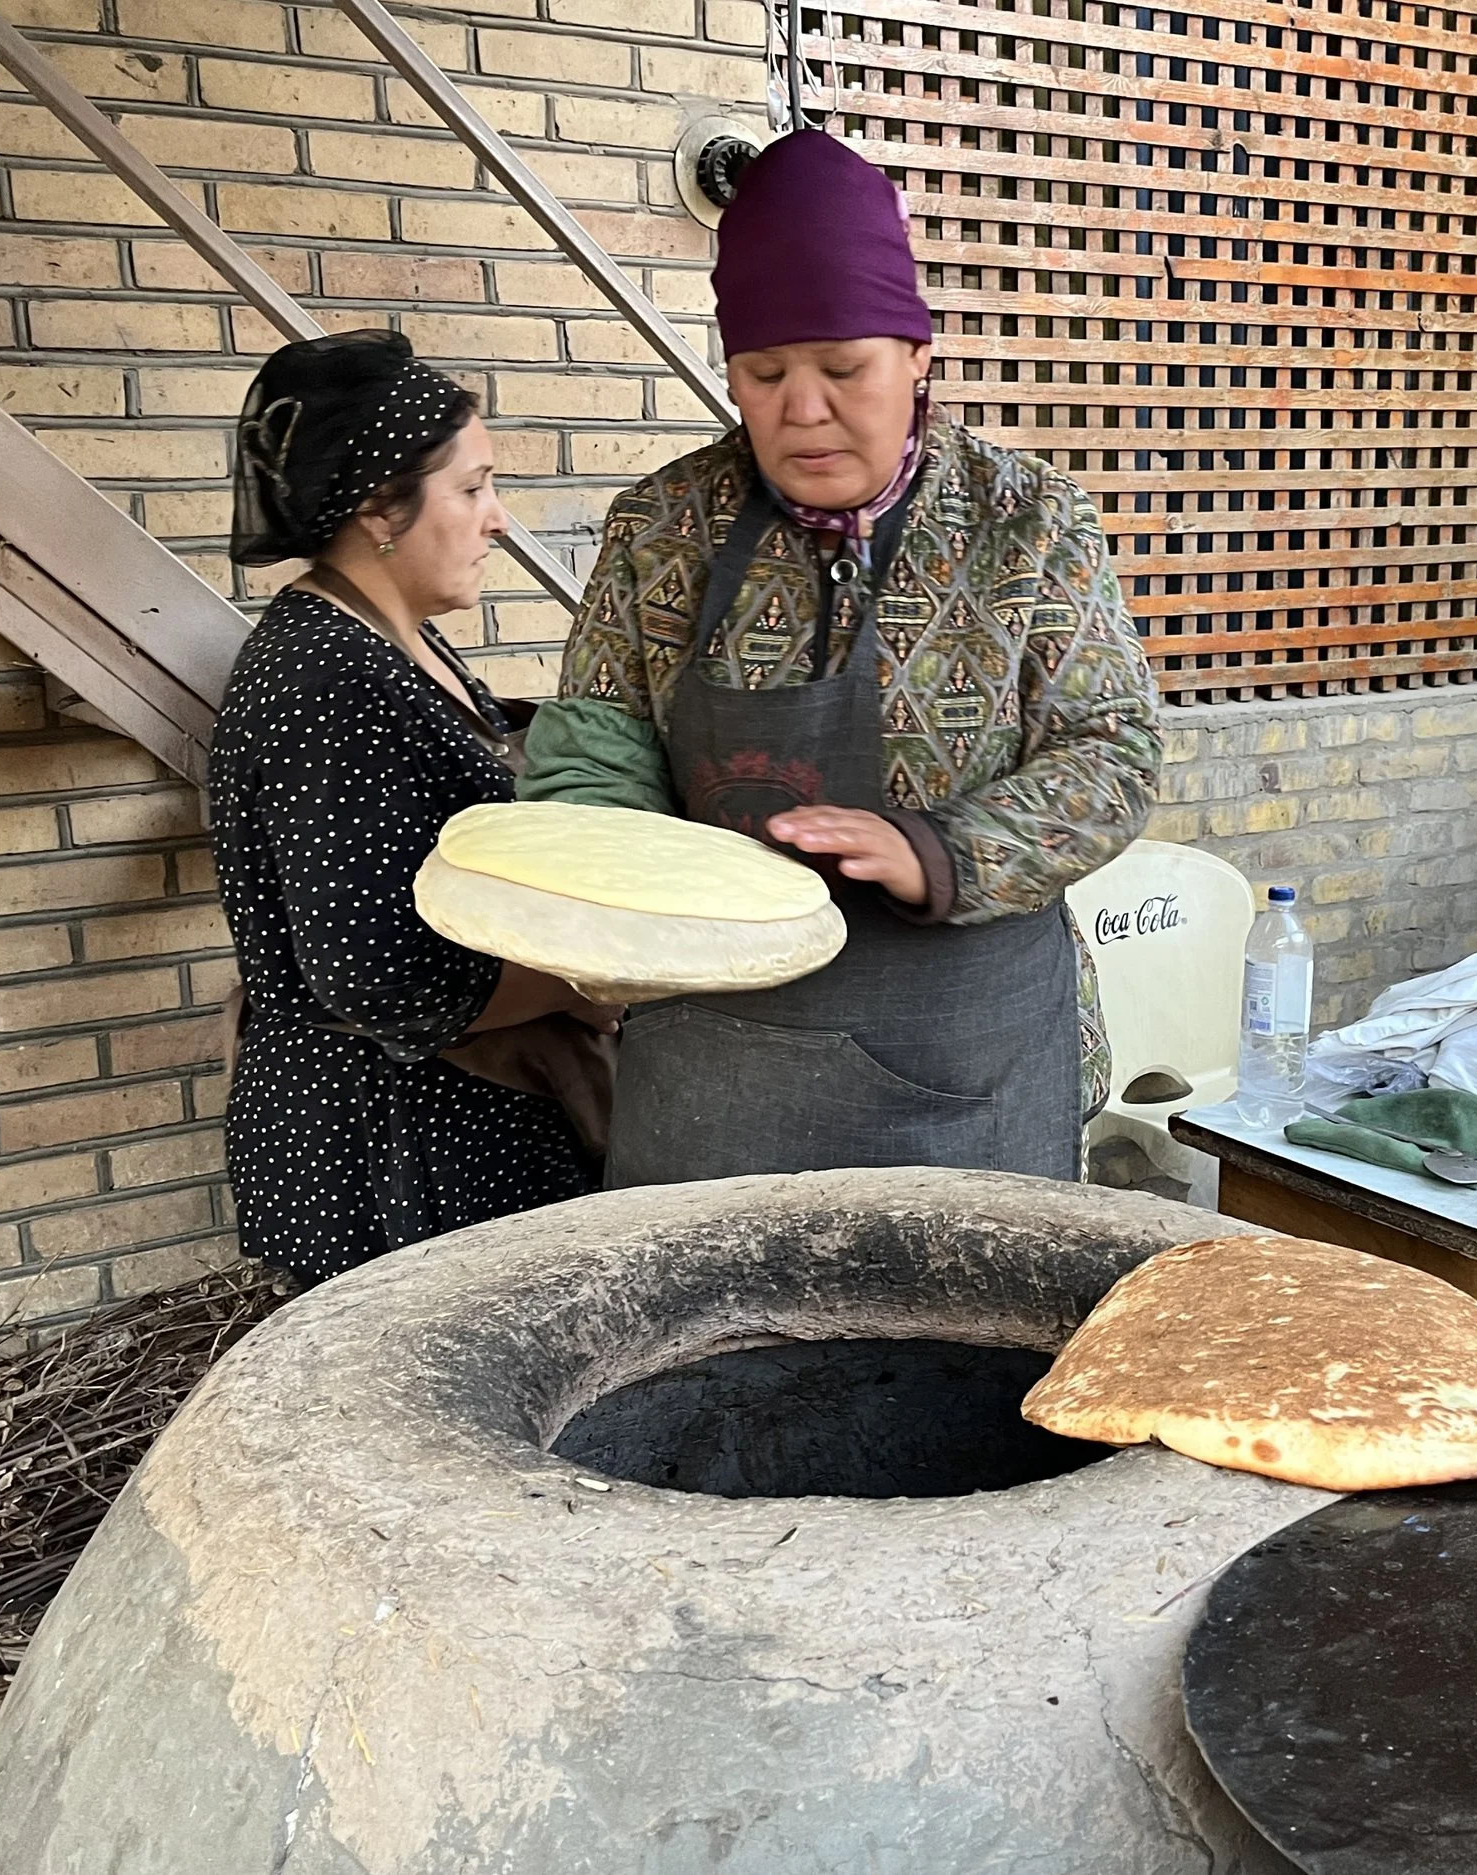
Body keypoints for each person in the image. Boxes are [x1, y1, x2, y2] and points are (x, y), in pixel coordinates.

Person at [520, 130, 1161, 1186]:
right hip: (716, 1074)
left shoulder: (1028, 523)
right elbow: (594, 754)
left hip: (971, 1063)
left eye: (842, 368)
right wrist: (607, 884)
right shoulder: (661, 529)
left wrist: (943, 850)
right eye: (764, 373)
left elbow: (1113, 754)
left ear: (917, 356)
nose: (802, 409)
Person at [211, 331, 608, 1283]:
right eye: (471, 488)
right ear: (382, 505)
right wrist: (589, 983)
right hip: (393, 1150)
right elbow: (378, 979)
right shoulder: (321, 679)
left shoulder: (389, 638)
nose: (497, 518)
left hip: (438, 1131)